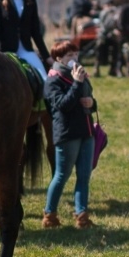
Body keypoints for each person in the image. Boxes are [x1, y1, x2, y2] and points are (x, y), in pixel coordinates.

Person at [41, 40, 96, 229]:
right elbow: (63, 105)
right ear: (59, 59)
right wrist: (77, 84)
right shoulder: (53, 79)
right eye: (69, 56)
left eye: (75, 54)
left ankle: (82, 215)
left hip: (86, 130)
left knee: (84, 175)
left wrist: (92, 103)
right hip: (67, 133)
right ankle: (49, 214)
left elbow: (87, 98)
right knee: (62, 175)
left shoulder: (79, 75)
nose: (74, 59)